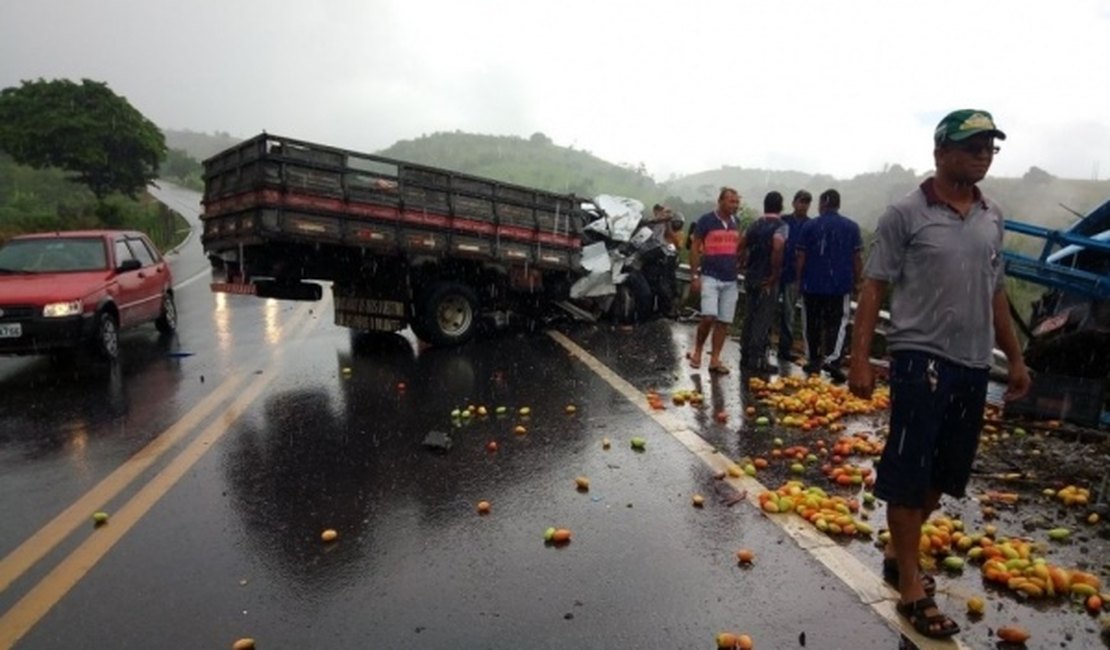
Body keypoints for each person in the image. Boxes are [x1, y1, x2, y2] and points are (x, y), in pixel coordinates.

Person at [848, 109, 1031, 639]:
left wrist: (1015, 358)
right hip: (919, 359)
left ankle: (895, 551)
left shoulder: (993, 215)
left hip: (973, 364)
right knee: (909, 473)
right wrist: (861, 357)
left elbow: (995, 292)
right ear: (940, 151)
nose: (983, 154)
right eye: (972, 145)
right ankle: (911, 587)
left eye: (989, 146)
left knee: (941, 479)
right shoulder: (904, 213)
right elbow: (874, 288)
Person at [795, 189, 861, 383]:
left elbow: (801, 256)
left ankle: (814, 360)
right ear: (838, 205)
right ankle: (833, 360)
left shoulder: (809, 226)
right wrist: (859, 282)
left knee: (812, 323)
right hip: (839, 286)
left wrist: (799, 280)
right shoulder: (851, 227)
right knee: (837, 323)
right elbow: (856, 258)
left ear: (822, 204)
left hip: (812, 284)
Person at [687, 187, 742, 375]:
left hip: (730, 279)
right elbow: (694, 248)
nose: (735, 205)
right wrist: (694, 276)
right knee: (709, 316)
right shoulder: (706, 221)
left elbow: (738, 248)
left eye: (736, 202)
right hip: (710, 275)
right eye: (731, 201)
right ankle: (698, 350)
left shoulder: (737, 222)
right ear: (720, 201)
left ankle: (715, 358)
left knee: (724, 321)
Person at [737, 191, 787, 373]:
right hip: (767, 277)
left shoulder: (755, 224)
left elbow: (741, 245)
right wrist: (774, 273)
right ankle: (757, 358)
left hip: (751, 275)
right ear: (781, 206)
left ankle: (745, 354)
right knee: (763, 318)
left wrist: (741, 263)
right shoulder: (781, 226)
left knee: (749, 315)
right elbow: (777, 246)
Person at [776, 190, 812, 364]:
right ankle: (762, 345)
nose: (803, 205)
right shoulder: (783, 221)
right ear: (794, 203)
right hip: (777, 272)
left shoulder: (810, 225)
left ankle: (784, 349)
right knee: (769, 310)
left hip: (794, 276)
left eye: (806, 202)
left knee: (788, 314)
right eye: (801, 201)